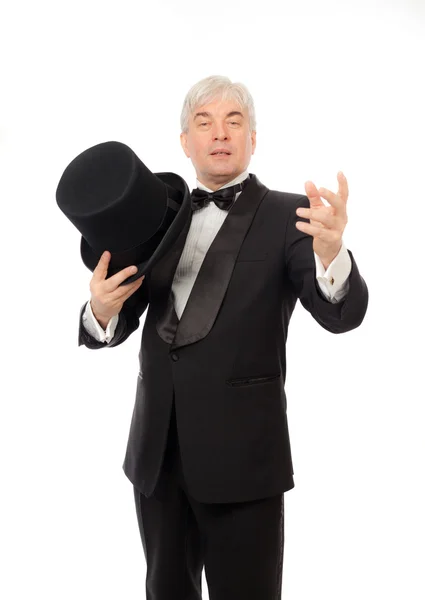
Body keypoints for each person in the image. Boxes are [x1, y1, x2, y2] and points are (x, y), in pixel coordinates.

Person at [78, 75, 368, 600]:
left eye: (234, 121)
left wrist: (331, 256)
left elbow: (340, 316)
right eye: (204, 122)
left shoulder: (288, 216)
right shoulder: (156, 215)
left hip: (244, 461)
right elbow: (119, 317)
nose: (220, 133)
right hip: (157, 456)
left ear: (252, 139)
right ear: (183, 142)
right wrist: (98, 311)